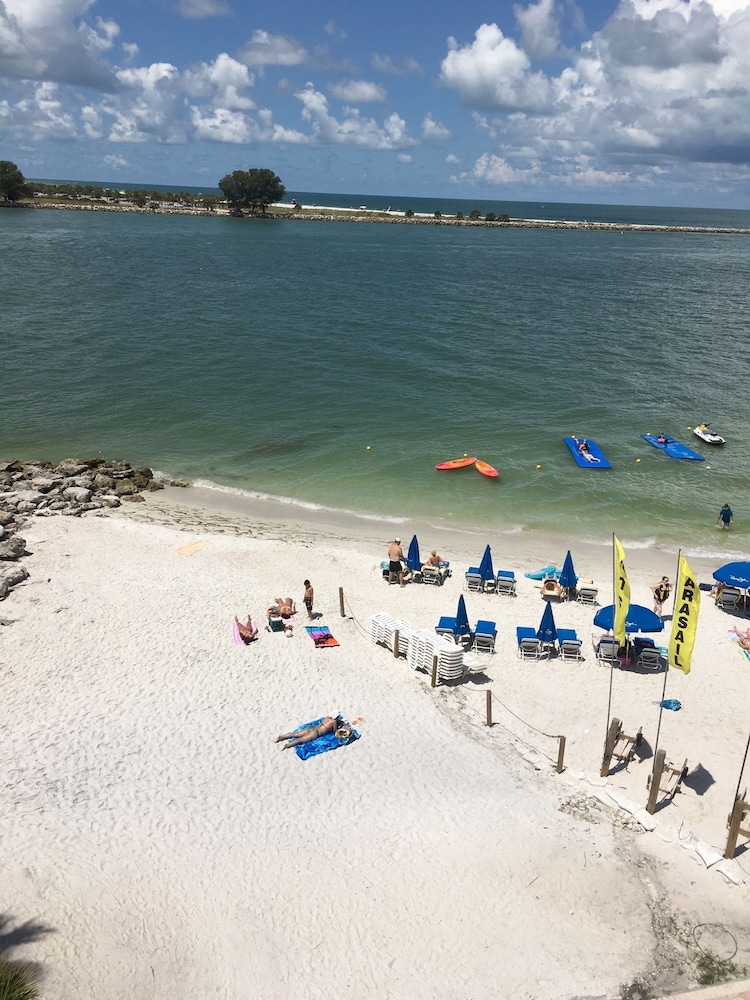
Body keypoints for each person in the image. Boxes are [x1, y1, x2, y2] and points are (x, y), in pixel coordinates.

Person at [275, 715, 352, 749]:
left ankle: (281, 737)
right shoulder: (333, 722)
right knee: (300, 740)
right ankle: (287, 745)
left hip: (313, 728)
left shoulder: (327, 718)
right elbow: (335, 732)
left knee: (296, 734)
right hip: (316, 733)